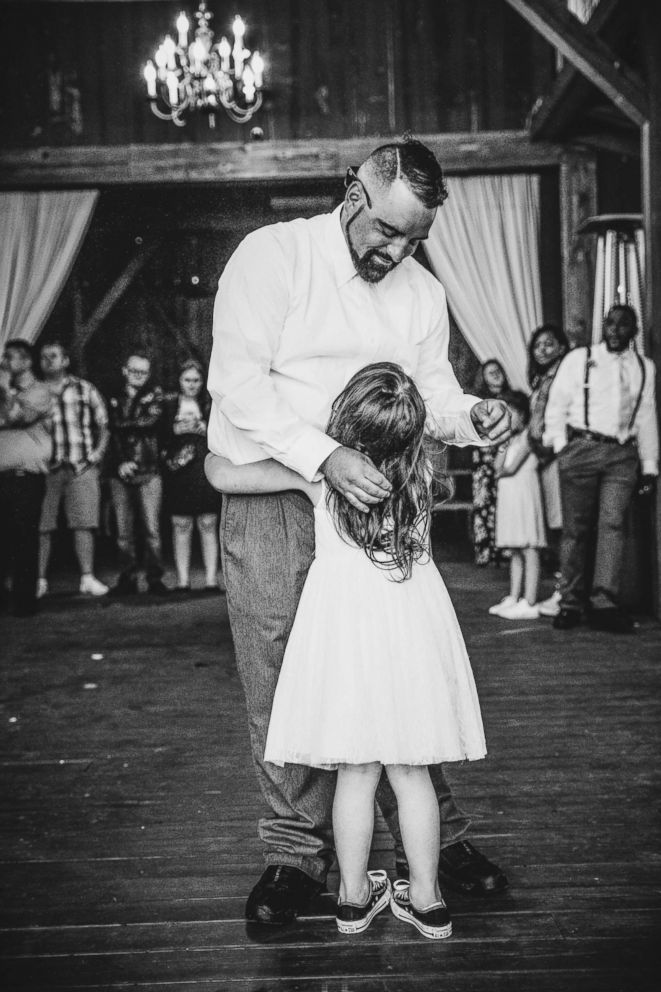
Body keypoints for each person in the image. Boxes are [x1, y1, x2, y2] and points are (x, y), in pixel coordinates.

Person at [207, 137, 511, 927]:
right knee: (280, 673)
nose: (398, 250)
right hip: (278, 491)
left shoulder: (418, 292)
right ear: (352, 193)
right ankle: (293, 857)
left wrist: (471, 417)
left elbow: (432, 392)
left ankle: (432, 849)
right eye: (387, 230)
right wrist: (324, 455)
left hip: (377, 501)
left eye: (416, 237)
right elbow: (235, 384)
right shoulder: (272, 257)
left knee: (394, 670)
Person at [208, 363, 486, 939]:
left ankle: (354, 898)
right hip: (410, 633)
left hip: (342, 632)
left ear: (341, 422)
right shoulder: (424, 478)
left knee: (357, 771)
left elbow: (222, 472)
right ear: (413, 434)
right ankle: (428, 900)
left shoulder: (320, 479)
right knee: (410, 770)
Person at [544, 304, 658, 633]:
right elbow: (557, 403)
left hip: (622, 454)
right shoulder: (579, 359)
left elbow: (646, 415)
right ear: (603, 326)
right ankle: (570, 603)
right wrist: (559, 447)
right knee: (575, 530)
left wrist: (649, 465)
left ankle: (604, 602)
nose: (614, 330)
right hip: (580, 448)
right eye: (610, 323)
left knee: (613, 526)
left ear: (634, 331)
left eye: (623, 325)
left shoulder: (644, 367)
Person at [37, 341, 110, 599]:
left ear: (66, 360)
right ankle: (39, 580)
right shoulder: (35, 391)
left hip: (81, 465)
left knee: (84, 523)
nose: (48, 361)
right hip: (46, 467)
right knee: (42, 526)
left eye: (54, 356)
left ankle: (87, 578)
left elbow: (103, 423)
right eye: (44, 357)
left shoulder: (83, 388)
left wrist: (97, 455)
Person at [107, 351, 169, 596]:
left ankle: (155, 579)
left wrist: (119, 422)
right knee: (123, 531)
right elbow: (108, 432)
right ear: (124, 370)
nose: (139, 376)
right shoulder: (113, 395)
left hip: (149, 468)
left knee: (152, 529)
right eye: (134, 371)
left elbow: (149, 423)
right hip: (119, 471)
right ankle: (127, 577)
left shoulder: (156, 395)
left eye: (143, 372)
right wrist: (121, 462)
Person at [0, 340, 52, 617]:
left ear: (27, 361)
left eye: (10, 357)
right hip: (2, 475)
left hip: (26, 477)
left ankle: (24, 602)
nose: (5, 361)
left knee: (24, 538)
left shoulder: (39, 391)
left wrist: (6, 388)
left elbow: (15, 417)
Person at [162, 359, 222, 592]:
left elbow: (222, 436)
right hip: (178, 471)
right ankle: (182, 580)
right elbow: (159, 436)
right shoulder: (168, 407)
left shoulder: (210, 405)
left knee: (208, 522)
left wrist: (204, 430)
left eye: (196, 380)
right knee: (181, 524)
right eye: (187, 380)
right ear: (179, 381)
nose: (192, 384)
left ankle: (210, 580)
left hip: (202, 468)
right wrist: (174, 430)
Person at [489, 391, 546, 619]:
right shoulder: (510, 439)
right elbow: (497, 467)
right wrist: (502, 443)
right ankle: (514, 595)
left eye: (511, 414)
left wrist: (501, 471)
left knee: (529, 546)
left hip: (524, 492)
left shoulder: (528, 437)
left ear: (522, 414)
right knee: (515, 549)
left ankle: (529, 600)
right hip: (510, 495)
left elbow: (510, 468)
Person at [526, 324, 570, 618]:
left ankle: (565, 591)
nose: (542, 349)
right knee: (554, 526)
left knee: (563, 524)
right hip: (542, 459)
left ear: (562, 348)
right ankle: (562, 587)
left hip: (557, 456)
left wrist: (549, 448)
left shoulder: (564, 377)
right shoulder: (541, 379)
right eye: (537, 345)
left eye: (549, 344)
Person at [470, 359, 511, 566]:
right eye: (490, 372)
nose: (495, 375)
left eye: (497, 371)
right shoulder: (479, 402)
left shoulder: (513, 399)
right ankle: (486, 553)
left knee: (505, 505)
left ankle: (505, 552)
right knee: (484, 505)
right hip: (483, 460)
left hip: (508, 457)